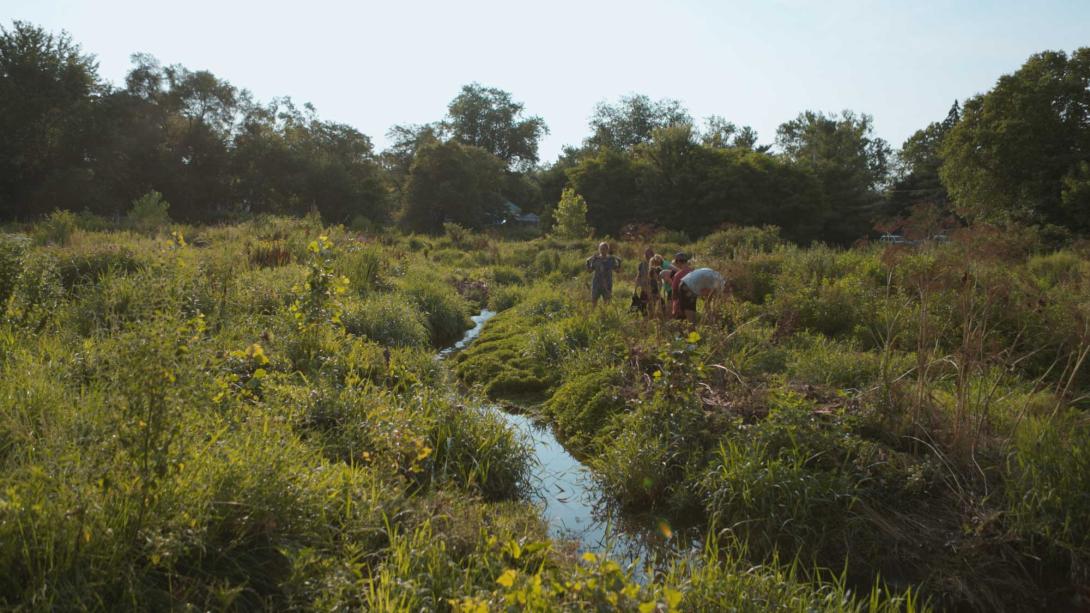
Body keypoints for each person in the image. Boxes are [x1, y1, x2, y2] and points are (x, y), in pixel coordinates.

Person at [585, 241, 621, 306]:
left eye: (604, 249)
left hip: (607, 284)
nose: (602, 250)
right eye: (601, 249)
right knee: (594, 301)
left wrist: (619, 262)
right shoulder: (596, 259)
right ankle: (594, 315)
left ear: (607, 249)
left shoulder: (611, 259)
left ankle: (605, 315)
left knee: (607, 302)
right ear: (599, 249)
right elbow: (590, 271)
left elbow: (617, 271)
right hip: (596, 283)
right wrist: (587, 262)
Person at [669, 253, 694, 320]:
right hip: (693, 303)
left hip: (680, 306)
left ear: (678, 262)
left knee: (680, 326)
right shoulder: (693, 272)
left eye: (676, 262)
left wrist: (673, 308)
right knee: (691, 323)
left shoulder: (678, 275)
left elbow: (674, 293)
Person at [633, 247, 655, 315]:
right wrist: (635, 289)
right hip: (644, 288)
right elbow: (638, 276)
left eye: (650, 254)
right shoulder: (642, 264)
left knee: (652, 306)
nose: (648, 256)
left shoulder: (655, 264)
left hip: (653, 288)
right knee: (643, 306)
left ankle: (651, 320)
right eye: (647, 254)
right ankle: (645, 321)